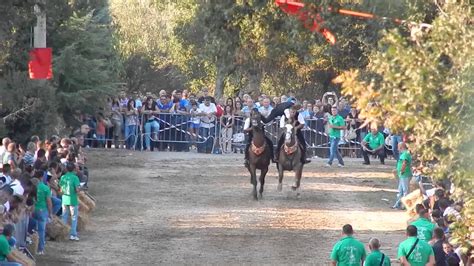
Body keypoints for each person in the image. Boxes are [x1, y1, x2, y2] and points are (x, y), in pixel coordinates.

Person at [59, 163, 81, 241]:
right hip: (73, 199)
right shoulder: (75, 178)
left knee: (64, 216)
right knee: (74, 217)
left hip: (65, 198)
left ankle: (63, 233)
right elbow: (77, 189)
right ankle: (73, 234)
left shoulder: (63, 177)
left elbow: (61, 189)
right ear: (74, 169)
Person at [32, 177, 53, 255]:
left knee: (31, 230)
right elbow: (49, 202)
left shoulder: (32, 188)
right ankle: (40, 249)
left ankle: (33, 247)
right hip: (42, 210)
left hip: (32, 211)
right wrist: (50, 213)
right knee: (41, 231)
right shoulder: (45, 188)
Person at [392, 142, 412, 209]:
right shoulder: (404, 154)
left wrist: (401, 171)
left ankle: (405, 205)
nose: (397, 149)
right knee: (400, 190)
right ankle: (397, 204)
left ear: (401, 147)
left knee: (405, 190)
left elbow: (404, 163)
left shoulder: (405, 154)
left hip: (404, 174)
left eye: (398, 147)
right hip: (402, 174)